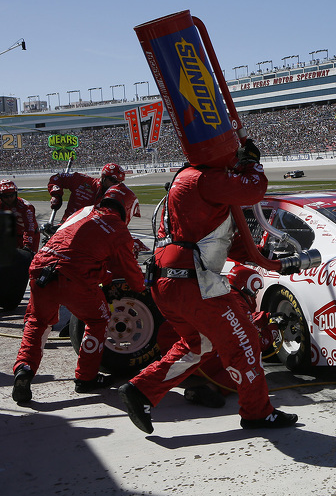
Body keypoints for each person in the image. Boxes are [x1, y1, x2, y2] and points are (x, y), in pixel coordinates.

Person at [119, 139, 298, 433]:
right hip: (193, 282)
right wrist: (251, 162)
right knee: (244, 342)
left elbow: (225, 243)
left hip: (169, 279)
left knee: (197, 345)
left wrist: (264, 255)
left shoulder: (190, 182)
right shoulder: (204, 178)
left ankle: (141, 390)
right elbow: (254, 188)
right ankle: (257, 413)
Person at [11, 184, 145, 403]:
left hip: (41, 269)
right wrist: (142, 288)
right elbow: (131, 275)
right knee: (98, 319)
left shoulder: (83, 210)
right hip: (73, 277)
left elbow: (75, 246)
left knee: (37, 322)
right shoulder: (118, 229)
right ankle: (86, 378)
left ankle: (24, 369)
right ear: (127, 208)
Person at [156, 264, 292, 408]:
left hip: (172, 349)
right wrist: (273, 329)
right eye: (256, 290)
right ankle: (209, 388)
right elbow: (252, 341)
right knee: (247, 363)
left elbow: (240, 322)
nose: (256, 294)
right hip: (195, 354)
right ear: (248, 287)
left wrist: (266, 316)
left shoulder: (221, 294)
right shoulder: (236, 302)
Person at [47, 162, 126, 224]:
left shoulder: (115, 198)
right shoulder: (82, 181)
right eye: (113, 180)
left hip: (90, 233)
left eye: (119, 182)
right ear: (103, 177)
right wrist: (56, 195)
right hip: (66, 225)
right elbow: (57, 178)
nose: (115, 184)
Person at [0, 179, 40, 253]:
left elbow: (29, 228)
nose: (9, 199)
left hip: (31, 235)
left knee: (29, 258)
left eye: (11, 195)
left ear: (16, 194)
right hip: (12, 236)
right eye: (5, 196)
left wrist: (27, 245)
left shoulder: (26, 207)